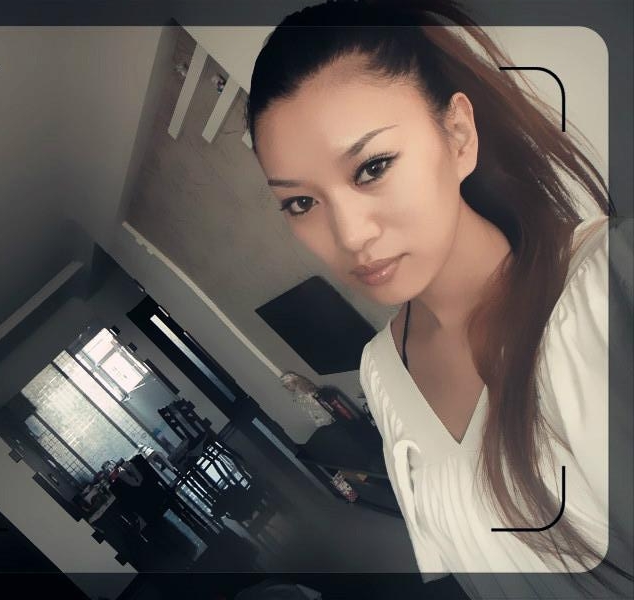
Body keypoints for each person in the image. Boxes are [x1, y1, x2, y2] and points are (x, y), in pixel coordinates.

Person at [245, 1, 633, 598]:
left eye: (373, 167)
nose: (350, 236)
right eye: (301, 203)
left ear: (458, 136)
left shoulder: (608, 284)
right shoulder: (381, 371)